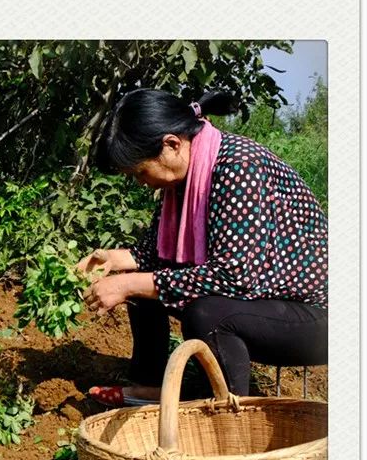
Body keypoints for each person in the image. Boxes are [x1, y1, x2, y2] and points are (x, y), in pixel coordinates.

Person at [77, 89, 327, 405]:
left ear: (171, 144)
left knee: (206, 314)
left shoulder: (238, 165)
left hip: (314, 315)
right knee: (137, 276)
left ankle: (230, 421)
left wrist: (128, 284)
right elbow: (150, 254)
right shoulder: (183, 178)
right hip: (261, 301)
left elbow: (234, 275)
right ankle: (151, 388)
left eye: (141, 171)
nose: (142, 182)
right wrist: (110, 260)